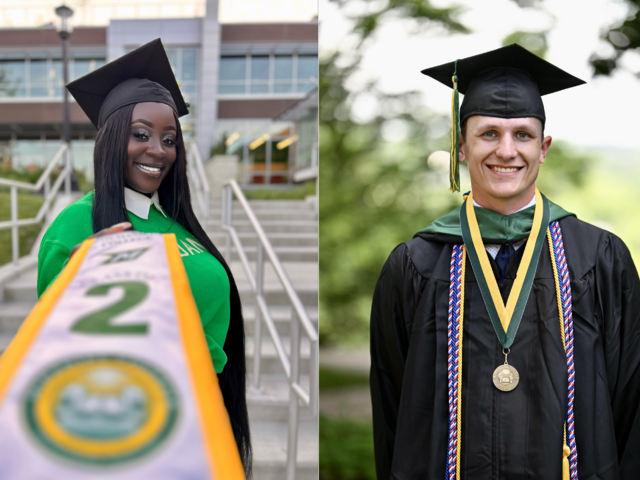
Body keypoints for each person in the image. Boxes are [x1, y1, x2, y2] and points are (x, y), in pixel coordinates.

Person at [370, 44, 640, 480]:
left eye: (523, 135)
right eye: (489, 133)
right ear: (461, 147)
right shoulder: (414, 266)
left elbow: (630, 406)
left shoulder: (599, 260)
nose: (507, 150)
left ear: (544, 147)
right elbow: (392, 409)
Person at [36, 39, 251, 475]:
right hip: (133, 437)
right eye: (141, 134)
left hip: (202, 425)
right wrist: (79, 290)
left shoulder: (179, 228)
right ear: (111, 139)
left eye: (169, 139)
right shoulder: (78, 226)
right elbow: (56, 360)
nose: (158, 149)